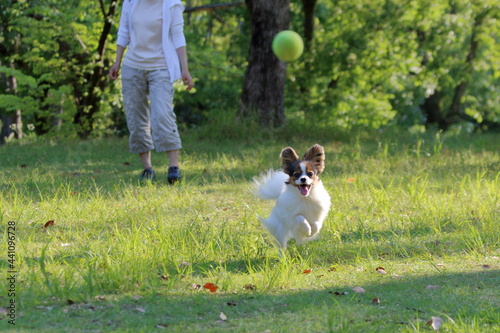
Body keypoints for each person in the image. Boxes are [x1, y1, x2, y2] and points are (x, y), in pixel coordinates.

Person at [109, 0, 194, 183]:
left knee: (163, 114)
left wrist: (184, 69)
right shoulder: (131, 3)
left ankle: (174, 167)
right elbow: (123, 32)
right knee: (136, 117)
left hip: (161, 67)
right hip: (133, 66)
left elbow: (178, 36)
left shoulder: (172, 5)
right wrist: (117, 61)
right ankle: (147, 168)